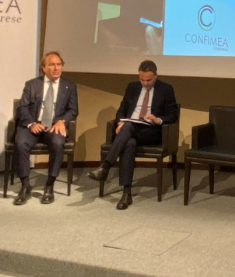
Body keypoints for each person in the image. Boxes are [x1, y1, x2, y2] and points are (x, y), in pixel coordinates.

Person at [87, 60, 178, 210]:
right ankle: (126, 194)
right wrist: (120, 122)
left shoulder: (166, 89)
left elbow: (173, 115)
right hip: (130, 130)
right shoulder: (132, 87)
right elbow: (121, 110)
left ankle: (105, 166)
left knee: (128, 128)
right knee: (129, 143)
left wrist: (157, 119)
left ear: (156, 75)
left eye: (149, 80)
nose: (145, 83)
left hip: (151, 132)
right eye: (142, 80)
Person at [13, 51, 78, 205]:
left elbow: (73, 110)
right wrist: (31, 123)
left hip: (54, 125)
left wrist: (62, 121)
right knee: (20, 143)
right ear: (43, 68)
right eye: (51, 65)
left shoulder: (69, 86)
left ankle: (49, 185)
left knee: (58, 143)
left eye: (58, 64)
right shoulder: (31, 84)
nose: (56, 68)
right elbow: (22, 107)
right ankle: (25, 186)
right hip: (34, 125)